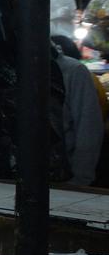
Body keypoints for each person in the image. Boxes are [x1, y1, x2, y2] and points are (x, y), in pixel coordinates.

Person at [54, 52, 104, 185]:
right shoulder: (7, 70)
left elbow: (89, 128)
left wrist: (81, 178)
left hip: (65, 176)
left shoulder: (73, 71)